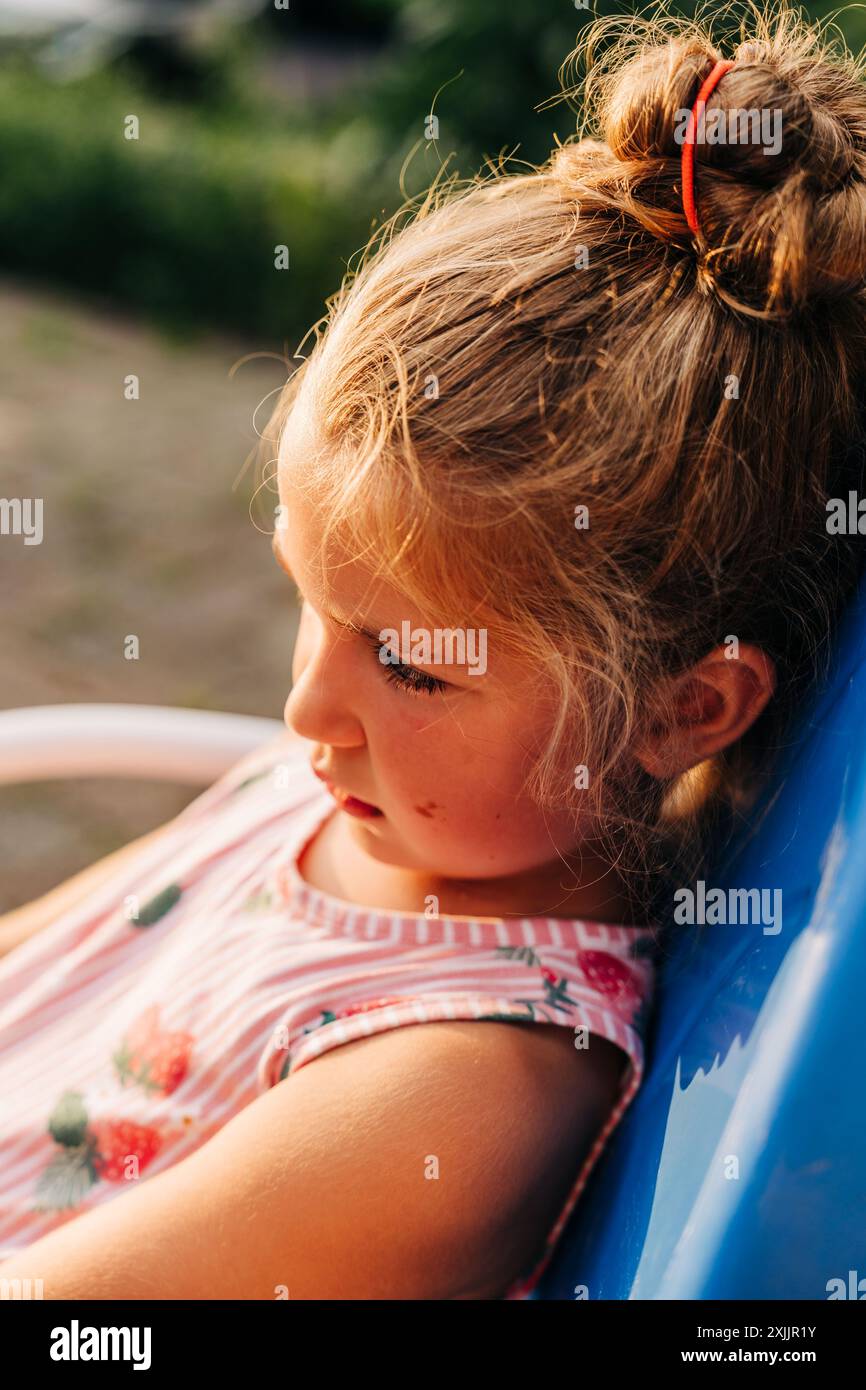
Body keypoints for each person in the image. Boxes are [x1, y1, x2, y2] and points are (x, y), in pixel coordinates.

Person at [1, 2, 865, 1299]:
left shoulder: (458, 1086)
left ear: (683, 709)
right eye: (308, 595)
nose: (306, 709)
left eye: (410, 662)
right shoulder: (385, 794)